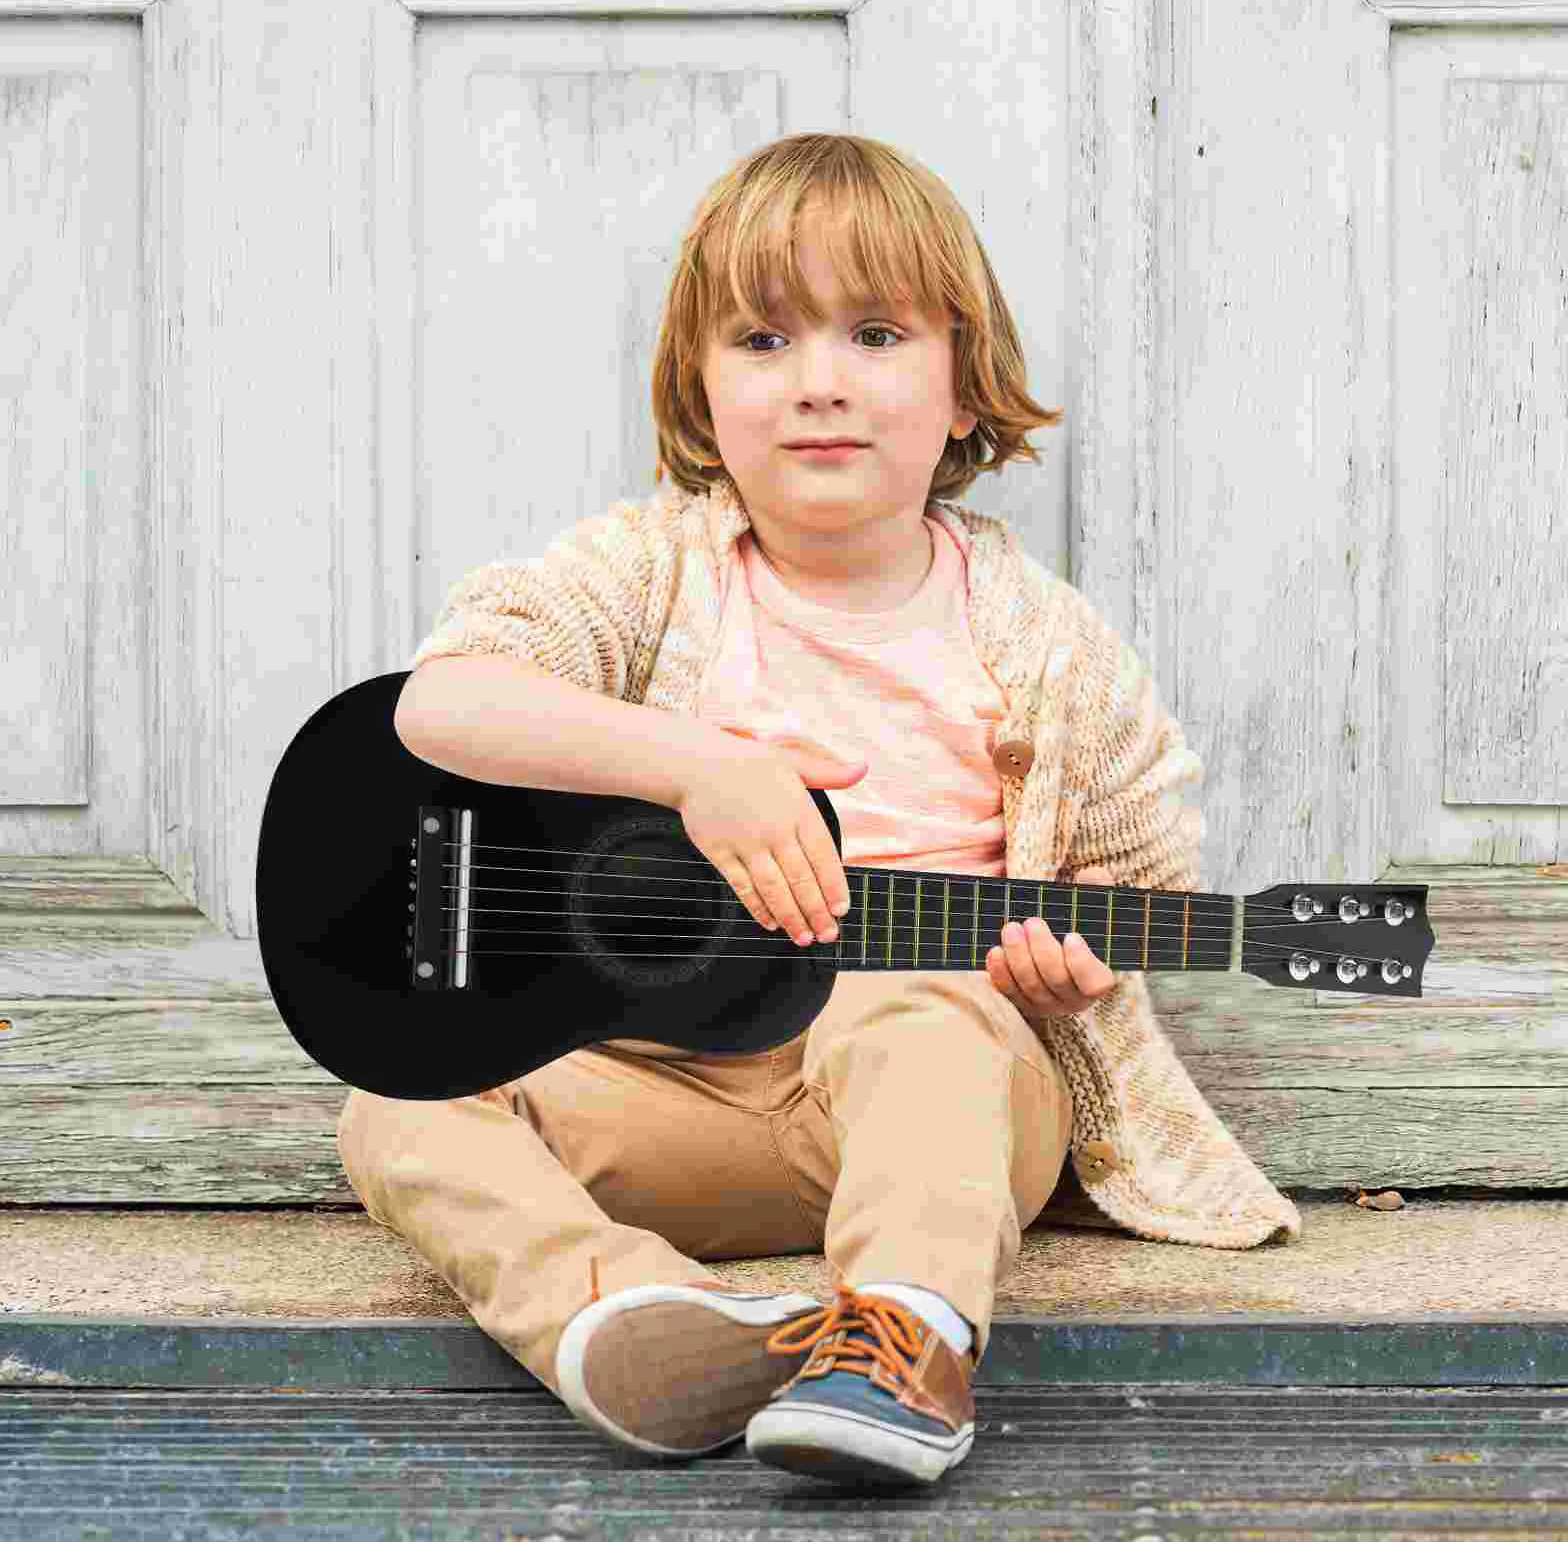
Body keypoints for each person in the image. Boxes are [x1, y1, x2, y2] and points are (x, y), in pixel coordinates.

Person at [336, 132, 1301, 1489]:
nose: (821, 387)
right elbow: (440, 707)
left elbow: (1133, 886)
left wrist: (1071, 981)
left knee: (917, 1007)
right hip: (670, 1091)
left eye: (875, 333)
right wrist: (696, 767)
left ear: (966, 387)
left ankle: (904, 1338)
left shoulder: (1048, 651)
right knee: (400, 1101)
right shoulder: (655, 571)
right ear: (702, 389)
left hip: (932, 1108)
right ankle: (630, 1318)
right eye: (764, 342)